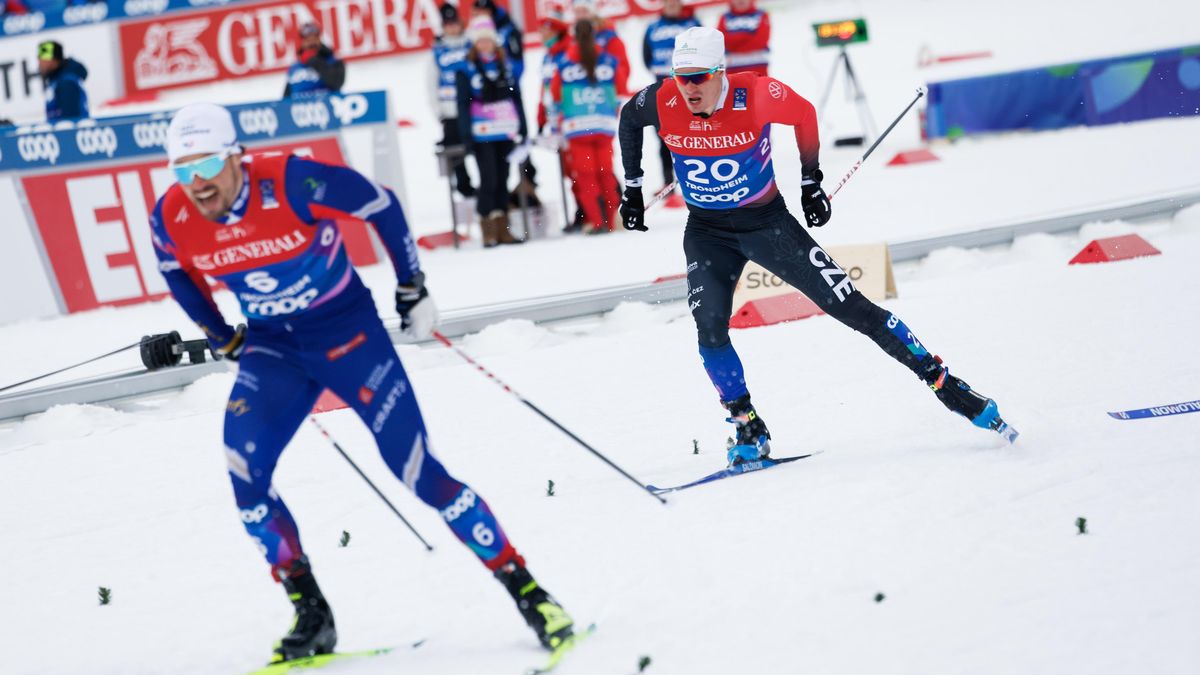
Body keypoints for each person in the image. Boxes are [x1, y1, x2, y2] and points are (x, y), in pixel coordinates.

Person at [148, 102, 573, 664]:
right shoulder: (171, 215)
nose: (196, 183)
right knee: (245, 476)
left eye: (205, 166)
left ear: (235, 157)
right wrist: (223, 337)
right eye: (182, 171)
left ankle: (529, 593)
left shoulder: (293, 180)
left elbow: (382, 205)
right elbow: (177, 274)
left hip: (349, 337)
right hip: (275, 349)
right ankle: (311, 615)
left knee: (419, 473)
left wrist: (411, 286)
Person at [618, 27, 1013, 466]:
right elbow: (628, 119)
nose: (688, 87)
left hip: (767, 226)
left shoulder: (756, 93)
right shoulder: (661, 99)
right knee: (709, 329)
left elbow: (805, 114)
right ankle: (747, 423)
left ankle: (947, 384)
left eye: (698, 77)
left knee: (854, 309)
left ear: (720, 71)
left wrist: (811, 183)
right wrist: (632, 189)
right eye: (680, 76)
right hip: (707, 232)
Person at [456, 15, 528, 247]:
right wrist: (466, 134)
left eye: (488, 40)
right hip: (481, 132)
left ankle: (503, 227)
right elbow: (462, 104)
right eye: (480, 41)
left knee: (503, 177)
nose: (485, 45)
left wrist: (523, 126)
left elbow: (516, 97)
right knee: (489, 179)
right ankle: (487, 227)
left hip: (504, 130)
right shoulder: (466, 69)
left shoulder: (505, 66)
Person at [551, 19, 621, 234]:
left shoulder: (564, 63)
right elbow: (618, 88)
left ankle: (597, 222)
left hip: (577, 128)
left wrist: (556, 123)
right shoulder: (608, 60)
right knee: (606, 175)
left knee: (586, 177)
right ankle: (611, 222)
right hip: (603, 126)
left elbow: (555, 95)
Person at [641, 0, 699, 208]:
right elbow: (646, 57)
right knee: (664, 137)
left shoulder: (692, 24)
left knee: (693, 136)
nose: (671, 4)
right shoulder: (653, 28)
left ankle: (696, 182)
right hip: (663, 89)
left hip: (690, 88)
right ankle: (668, 183)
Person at [430, 2, 476, 198]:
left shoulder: (471, 44)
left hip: (473, 108)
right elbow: (430, 83)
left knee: (479, 147)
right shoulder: (438, 51)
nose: (451, 27)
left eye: (454, 23)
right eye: (447, 24)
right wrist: (438, 111)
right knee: (455, 152)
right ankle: (464, 187)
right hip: (450, 111)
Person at [283, 21, 345, 98]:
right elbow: (286, 99)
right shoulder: (294, 68)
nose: (311, 43)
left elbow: (336, 83)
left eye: (314, 39)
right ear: (302, 42)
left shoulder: (333, 61)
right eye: (308, 40)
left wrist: (314, 60)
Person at [37, 40, 88, 121]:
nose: (39, 63)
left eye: (43, 59)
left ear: (54, 60)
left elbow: (70, 122)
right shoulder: (55, 81)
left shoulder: (66, 83)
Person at [717, 0, 770, 75]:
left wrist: (734, 41)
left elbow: (761, 40)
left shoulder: (761, 15)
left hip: (759, 67)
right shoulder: (724, 17)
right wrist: (746, 37)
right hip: (733, 69)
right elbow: (721, 40)